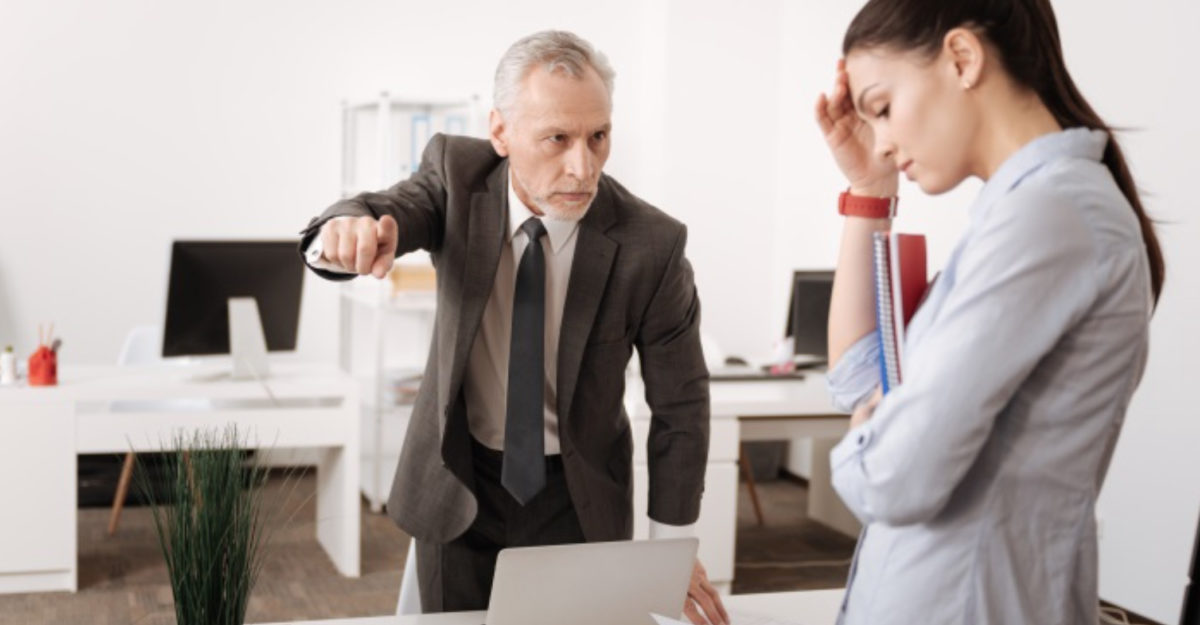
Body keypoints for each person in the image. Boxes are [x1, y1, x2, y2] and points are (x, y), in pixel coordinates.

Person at [299, 30, 728, 625]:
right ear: (500, 132)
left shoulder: (650, 244)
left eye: (598, 137)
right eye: (557, 138)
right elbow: (387, 207)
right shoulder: (457, 175)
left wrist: (672, 550)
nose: (583, 166)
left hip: (577, 497)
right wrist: (345, 229)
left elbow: (682, 406)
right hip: (462, 486)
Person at [813, 0, 1164, 623]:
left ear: (962, 57)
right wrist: (870, 189)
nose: (885, 143)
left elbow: (893, 475)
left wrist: (874, 433)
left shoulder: (1047, 218)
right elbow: (860, 379)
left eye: (884, 108)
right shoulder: (1022, 215)